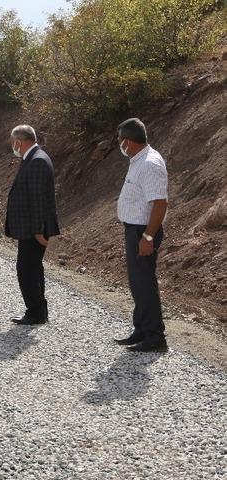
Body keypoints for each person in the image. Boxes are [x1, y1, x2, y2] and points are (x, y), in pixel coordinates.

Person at [113, 118, 169, 353]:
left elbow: (160, 203)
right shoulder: (139, 159)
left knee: (144, 284)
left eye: (120, 141)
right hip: (135, 229)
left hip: (143, 231)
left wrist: (147, 237)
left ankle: (155, 337)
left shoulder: (149, 163)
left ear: (126, 141)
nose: (120, 145)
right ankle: (142, 329)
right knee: (138, 284)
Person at [4, 125, 60, 325]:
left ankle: (35, 311)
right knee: (33, 268)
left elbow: (37, 200)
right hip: (30, 227)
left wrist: (37, 231)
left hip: (33, 229)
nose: (13, 146)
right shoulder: (33, 157)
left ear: (19, 141)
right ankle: (38, 310)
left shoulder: (36, 160)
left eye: (13, 142)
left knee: (26, 270)